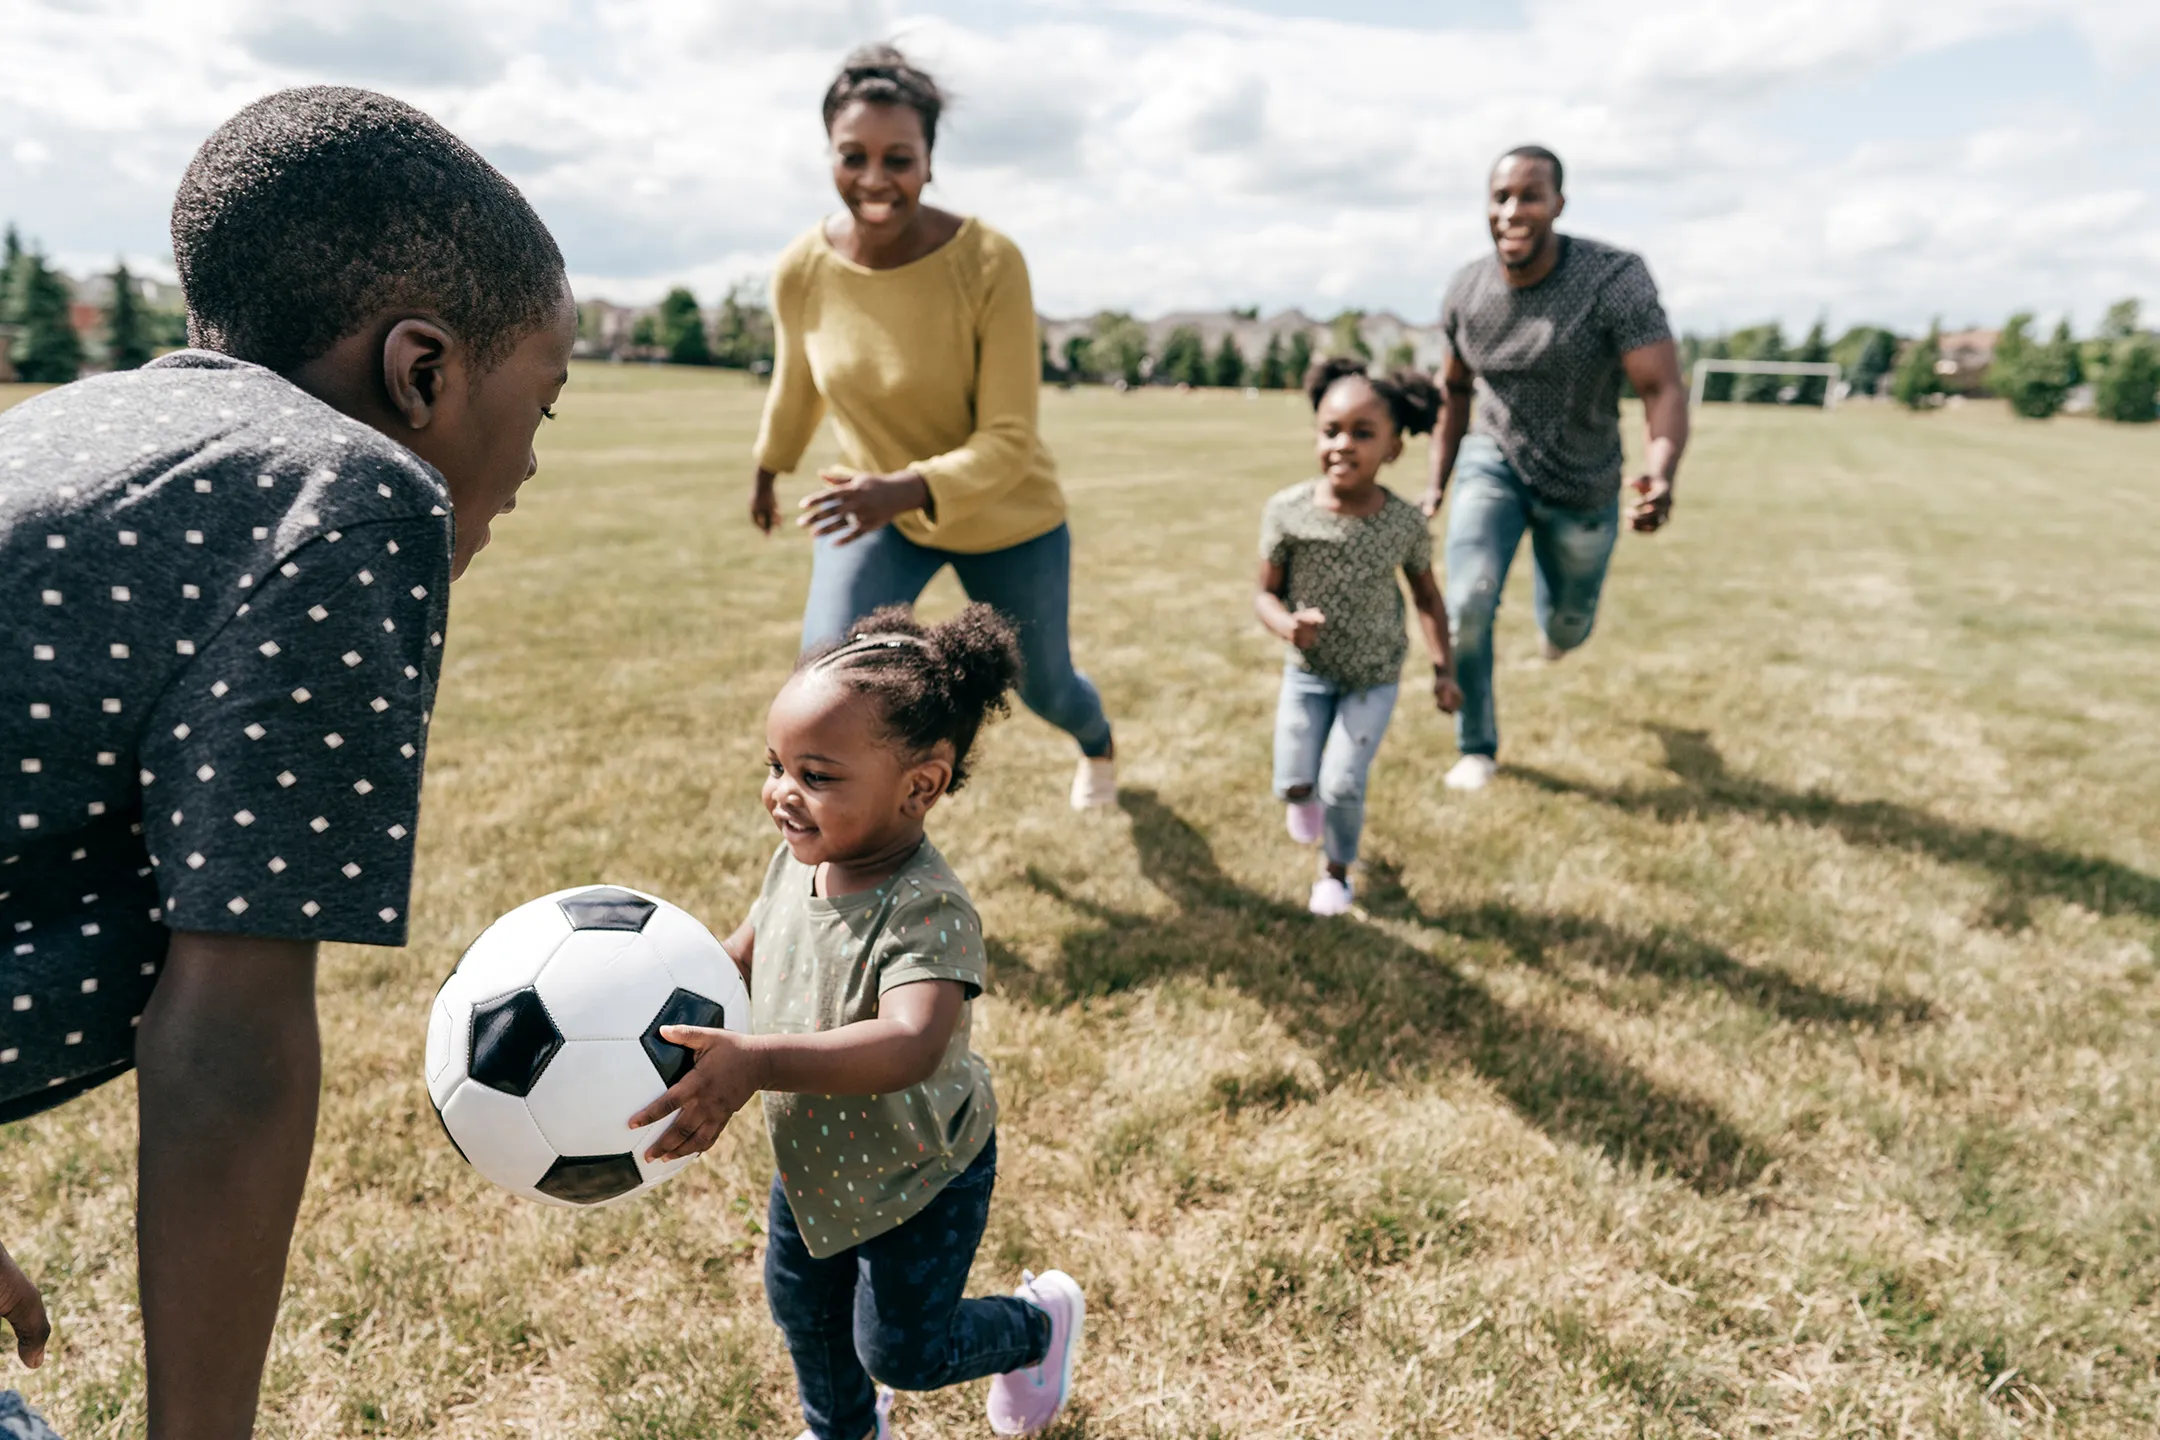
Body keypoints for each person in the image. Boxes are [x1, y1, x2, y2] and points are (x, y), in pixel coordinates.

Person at [0, 86, 573, 1435]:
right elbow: (232, 1038)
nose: (536, 464)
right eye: (542, 403)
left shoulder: (71, 430)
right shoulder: (350, 492)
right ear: (422, 373)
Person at [631, 603, 1083, 1440]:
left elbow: (912, 1042)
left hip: (921, 1172)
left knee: (903, 1350)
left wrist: (757, 1062)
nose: (781, 793)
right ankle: (842, 1430)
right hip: (815, 1163)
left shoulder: (927, 909)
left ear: (921, 786)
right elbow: (738, 958)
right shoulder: (795, 864)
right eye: (776, 765)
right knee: (801, 1310)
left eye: (817, 774)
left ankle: (1036, 1329)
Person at [748, 44, 1119, 812]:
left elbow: (1011, 437)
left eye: (899, 158)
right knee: (826, 683)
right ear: (830, 155)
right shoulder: (803, 268)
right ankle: (843, 856)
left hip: (1007, 517)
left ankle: (1097, 742)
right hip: (876, 514)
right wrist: (768, 468)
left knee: (1043, 685)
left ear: (929, 162)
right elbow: (798, 382)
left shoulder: (988, 261)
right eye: (853, 156)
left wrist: (908, 487)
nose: (875, 179)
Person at [1422, 144, 1689, 790]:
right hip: (1495, 458)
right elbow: (1455, 391)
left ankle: (1558, 629)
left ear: (1558, 205)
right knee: (1467, 599)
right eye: (1500, 197)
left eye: (1530, 196)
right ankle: (1477, 745)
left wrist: (1662, 471)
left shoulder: (1613, 278)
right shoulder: (1467, 288)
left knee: (1570, 622)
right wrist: (1437, 479)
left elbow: (1661, 388)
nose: (1513, 211)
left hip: (1584, 476)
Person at [1256, 360, 1463, 916]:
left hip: (1373, 677)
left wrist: (1444, 670)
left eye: (1363, 433)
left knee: (1343, 783)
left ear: (1394, 448)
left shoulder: (1402, 523)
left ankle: (1335, 873)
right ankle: (1302, 797)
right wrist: (1286, 626)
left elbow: (1425, 597)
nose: (1343, 445)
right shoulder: (1287, 512)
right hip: (1309, 673)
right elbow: (1264, 594)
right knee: (1295, 781)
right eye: (1331, 431)